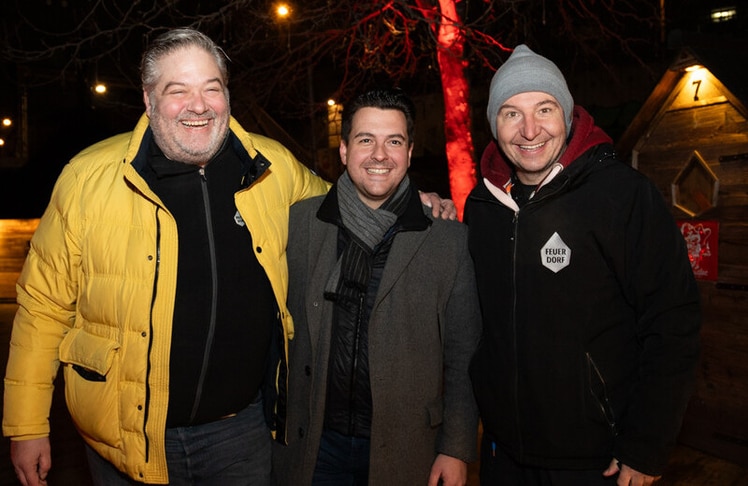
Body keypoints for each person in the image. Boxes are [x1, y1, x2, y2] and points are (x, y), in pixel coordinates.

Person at [2, 29, 454, 486]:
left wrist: (410, 201)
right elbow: (42, 308)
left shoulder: (272, 167)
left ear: (227, 95)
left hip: (240, 435)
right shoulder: (88, 179)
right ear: (149, 99)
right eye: (178, 91)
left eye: (211, 88)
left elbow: (344, 206)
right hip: (124, 436)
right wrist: (26, 425)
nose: (198, 106)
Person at [464, 45, 701, 486]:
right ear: (494, 125)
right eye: (512, 113)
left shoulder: (622, 195)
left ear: (568, 115)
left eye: (545, 109)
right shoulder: (482, 206)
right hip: (502, 455)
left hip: (595, 459)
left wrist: (647, 445)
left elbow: (673, 321)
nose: (529, 129)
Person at [272, 88, 482, 486]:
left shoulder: (447, 240)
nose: (380, 155)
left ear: (410, 152)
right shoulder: (299, 225)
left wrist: (455, 448)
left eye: (394, 142)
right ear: (344, 150)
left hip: (407, 447)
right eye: (366, 140)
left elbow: (464, 354)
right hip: (314, 445)